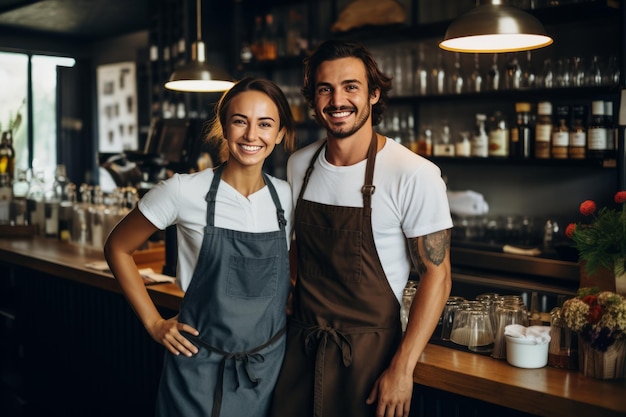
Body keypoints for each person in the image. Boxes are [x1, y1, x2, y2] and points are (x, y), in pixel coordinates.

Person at [270, 40, 453, 417]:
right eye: (325, 88)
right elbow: (296, 247)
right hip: (300, 352)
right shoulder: (299, 165)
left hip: (371, 362)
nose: (338, 100)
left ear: (374, 94)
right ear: (313, 97)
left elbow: (438, 276)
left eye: (350, 86)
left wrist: (402, 368)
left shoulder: (414, 174)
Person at [104, 77, 296, 417]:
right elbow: (117, 247)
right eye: (240, 121)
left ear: (279, 133)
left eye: (265, 124)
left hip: (267, 369)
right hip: (197, 367)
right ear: (224, 126)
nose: (252, 135)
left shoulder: (288, 196)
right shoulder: (182, 191)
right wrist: (153, 322)